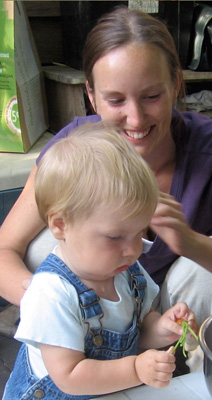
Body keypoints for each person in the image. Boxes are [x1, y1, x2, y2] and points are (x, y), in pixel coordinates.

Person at [0, 6, 212, 343]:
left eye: (152, 96)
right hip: (93, 323)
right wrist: (49, 305)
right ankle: (87, 361)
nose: (136, 119)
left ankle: (184, 369)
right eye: (115, 100)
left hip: (183, 319)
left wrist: (192, 244)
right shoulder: (73, 151)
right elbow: (5, 248)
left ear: (176, 84)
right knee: (48, 245)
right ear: (91, 96)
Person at [3, 122, 198, 399]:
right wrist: (135, 369)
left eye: (139, 231)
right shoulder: (52, 293)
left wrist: (162, 329)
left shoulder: (126, 272)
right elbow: (69, 376)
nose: (132, 249)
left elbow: (140, 330)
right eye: (115, 236)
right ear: (61, 225)